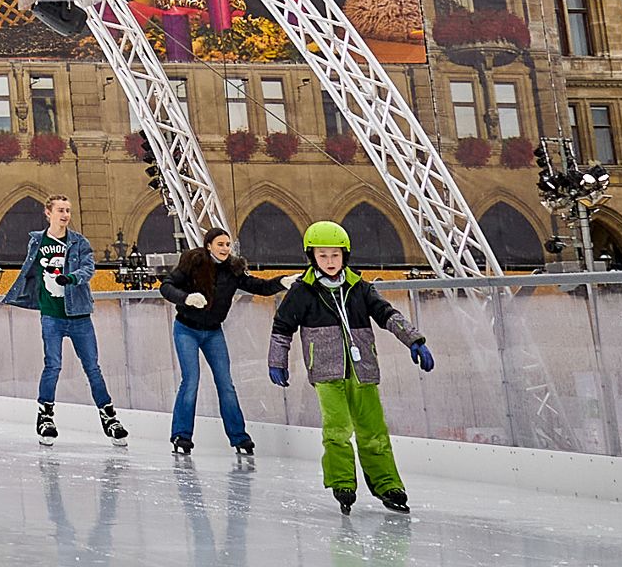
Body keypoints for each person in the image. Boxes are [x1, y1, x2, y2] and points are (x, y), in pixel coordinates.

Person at [270, 219, 433, 515]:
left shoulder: (359, 288)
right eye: (323, 256)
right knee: (338, 430)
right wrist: (276, 361)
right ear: (312, 257)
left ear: (345, 256)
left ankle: (388, 484)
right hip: (326, 372)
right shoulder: (303, 291)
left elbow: (387, 314)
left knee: (374, 430)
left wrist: (414, 340)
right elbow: (282, 327)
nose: (330, 262)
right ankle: (343, 481)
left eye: (335, 255)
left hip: (363, 370)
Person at [0, 194, 126, 441]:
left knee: (92, 367)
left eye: (68, 210)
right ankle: (45, 415)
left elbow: (89, 268)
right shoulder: (37, 241)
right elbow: (30, 270)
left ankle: (109, 415)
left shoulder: (79, 242)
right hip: (51, 316)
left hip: (79, 314)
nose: (65, 215)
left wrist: (71, 278)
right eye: (60, 210)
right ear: (48, 213)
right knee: (53, 365)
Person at [159, 229, 280, 453]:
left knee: (226, 384)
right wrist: (186, 298)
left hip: (213, 332)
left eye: (228, 245)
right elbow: (166, 286)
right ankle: (181, 436)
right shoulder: (192, 263)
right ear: (209, 246)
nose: (225, 248)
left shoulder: (233, 270)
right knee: (191, 380)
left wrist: (283, 281)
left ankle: (239, 438)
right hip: (186, 329)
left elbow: (259, 287)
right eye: (220, 244)